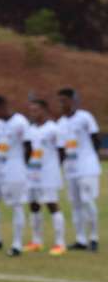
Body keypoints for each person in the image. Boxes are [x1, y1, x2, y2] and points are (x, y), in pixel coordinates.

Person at [57, 88, 101, 252]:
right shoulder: (60, 123)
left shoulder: (85, 117)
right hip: (71, 169)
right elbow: (61, 149)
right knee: (75, 204)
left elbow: (95, 139)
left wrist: (89, 158)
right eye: (59, 101)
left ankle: (94, 238)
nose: (62, 104)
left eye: (64, 100)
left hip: (87, 168)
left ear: (73, 100)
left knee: (88, 201)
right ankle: (80, 239)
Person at [0, 95, 30, 256]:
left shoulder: (20, 122)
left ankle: (17, 243)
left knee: (17, 205)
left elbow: (28, 146)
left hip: (15, 166)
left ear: (3, 107)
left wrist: (24, 168)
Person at [25, 99, 67, 256]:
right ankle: (36, 241)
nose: (33, 113)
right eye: (31, 110)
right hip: (33, 173)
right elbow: (30, 151)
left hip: (49, 173)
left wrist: (54, 168)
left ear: (44, 110)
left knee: (51, 204)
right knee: (34, 205)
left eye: (36, 110)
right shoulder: (32, 129)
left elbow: (62, 152)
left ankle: (60, 243)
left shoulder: (54, 129)